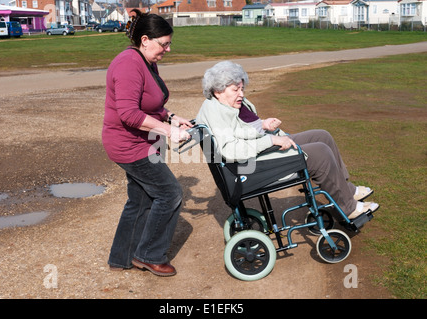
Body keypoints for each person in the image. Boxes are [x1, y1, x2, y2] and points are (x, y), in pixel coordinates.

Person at [196, 61, 379, 220]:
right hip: (255, 163)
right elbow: (231, 150)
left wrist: (264, 124)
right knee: (320, 152)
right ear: (218, 90)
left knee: (322, 135)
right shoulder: (216, 111)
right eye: (236, 89)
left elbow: (244, 128)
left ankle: (347, 190)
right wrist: (272, 141)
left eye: (242, 88)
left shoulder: (225, 104)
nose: (241, 94)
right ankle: (349, 207)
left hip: (263, 148)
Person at [102, 9, 193, 277]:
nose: (167, 49)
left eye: (169, 43)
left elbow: (152, 102)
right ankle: (149, 255)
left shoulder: (146, 61)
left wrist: (173, 117)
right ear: (145, 40)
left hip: (143, 142)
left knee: (140, 200)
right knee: (170, 193)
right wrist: (168, 131)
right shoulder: (128, 64)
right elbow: (129, 114)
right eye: (163, 43)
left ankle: (122, 257)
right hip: (128, 145)